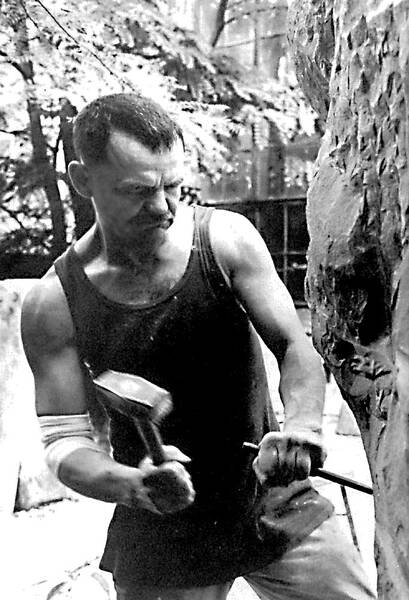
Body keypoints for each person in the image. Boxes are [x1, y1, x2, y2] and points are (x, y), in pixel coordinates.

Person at [21, 93, 376, 600]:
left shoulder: (225, 240)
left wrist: (301, 429)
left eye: (171, 185)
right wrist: (132, 485)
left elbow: (294, 346)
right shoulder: (54, 301)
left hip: (272, 498)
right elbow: (63, 443)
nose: (162, 207)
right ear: (82, 180)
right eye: (137, 191)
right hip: (160, 527)